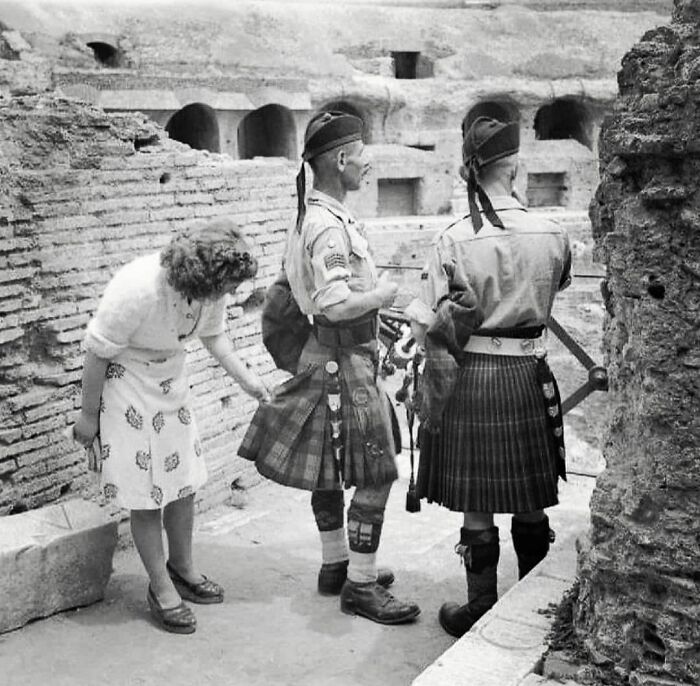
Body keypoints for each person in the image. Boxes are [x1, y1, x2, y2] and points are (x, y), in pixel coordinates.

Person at [239, 111, 420, 625]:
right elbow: (337, 305)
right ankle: (361, 585)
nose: (367, 163)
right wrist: (382, 295)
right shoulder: (328, 226)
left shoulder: (309, 217)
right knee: (377, 469)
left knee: (330, 466)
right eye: (361, 155)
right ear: (340, 160)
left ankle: (335, 564)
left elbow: (298, 299)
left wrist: (367, 311)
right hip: (343, 361)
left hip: (325, 355)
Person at [406, 116, 572, 638]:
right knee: (528, 496)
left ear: (469, 173)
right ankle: (530, 605)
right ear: (515, 166)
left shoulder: (453, 239)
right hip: (527, 372)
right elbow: (557, 286)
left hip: (472, 376)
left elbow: (423, 317)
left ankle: (479, 607)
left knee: (478, 502)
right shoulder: (554, 233)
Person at [73, 217, 270, 635]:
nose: (232, 294)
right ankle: (161, 587)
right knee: (146, 494)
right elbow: (96, 352)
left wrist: (248, 380)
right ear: (203, 277)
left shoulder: (208, 290)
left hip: (169, 384)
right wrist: (88, 417)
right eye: (228, 287)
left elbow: (215, 337)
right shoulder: (139, 287)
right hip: (126, 384)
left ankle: (182, 567)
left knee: (181, 484)